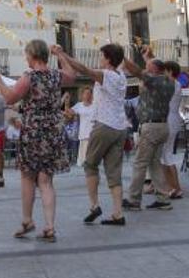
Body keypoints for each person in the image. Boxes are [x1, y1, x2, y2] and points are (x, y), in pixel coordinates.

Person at [0, 40, 75, 243]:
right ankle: (49, 226)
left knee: (28, 176)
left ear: (33, 56)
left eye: (27, 55)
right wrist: (60, 54)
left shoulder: (29, 77)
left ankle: (27, 220)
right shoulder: (56, 75)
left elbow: (9, 98)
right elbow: (72, 76)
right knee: (46, 180)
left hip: (33, 133)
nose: (26, 59)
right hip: (53, 132)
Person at [54, 44, 128, 226]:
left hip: (104, 126)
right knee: (114, 171)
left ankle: (94, 206)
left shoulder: (107, 75)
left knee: (90, 165)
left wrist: (61, 53)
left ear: (108, 59)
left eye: (101, 56)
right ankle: (118, 213)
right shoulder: (122, 77)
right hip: (120, 128)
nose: (99, 59)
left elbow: (84, 69)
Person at [120, 46, 175, 212]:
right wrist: (148, 58)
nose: (145, 68)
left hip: (150, 127)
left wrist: (121, 56)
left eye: (148, 67)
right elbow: (153, 68)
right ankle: (163, 199)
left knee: (140, 163)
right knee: (154, 163)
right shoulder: (169, 82)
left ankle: (134, 199)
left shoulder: (154, 80)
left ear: (154, 70)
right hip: (163, 126)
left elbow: (138, 72)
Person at [160, 61, 184, 199]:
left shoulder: (171, 84)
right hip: (173, 119)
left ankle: (175, 188)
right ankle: (171, 188)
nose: (163, 74)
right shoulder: (177, 84)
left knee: (166, 156)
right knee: (165, 155)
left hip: (168, 120)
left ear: (169, 71)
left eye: (164, 71)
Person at [70, 87, 94, 166]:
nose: (88, 95)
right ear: (82, 95)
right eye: (86, 93)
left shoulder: (96, 104)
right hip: (83, 134)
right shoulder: (79, 105)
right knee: (83, 162)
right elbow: (69, 113)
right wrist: (66, 102)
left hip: (94, 134)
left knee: (91, 161)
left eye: (90, 93)